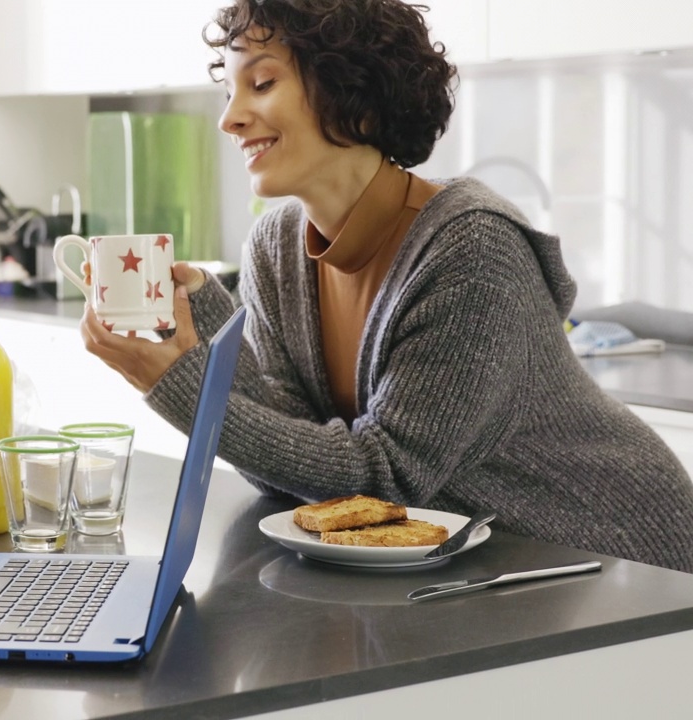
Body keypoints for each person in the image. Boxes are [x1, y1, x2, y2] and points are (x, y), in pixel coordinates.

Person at [78, 0, 693, 573]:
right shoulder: (275, 248)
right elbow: (297, 471)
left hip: (618, 560)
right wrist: (210, 331)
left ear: (358, 101)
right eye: (231, 89)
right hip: (488, 567)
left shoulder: (471, 250)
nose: (229, 118)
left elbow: (386, 480)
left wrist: (172, 383)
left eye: (261, 84)